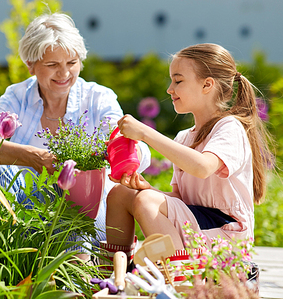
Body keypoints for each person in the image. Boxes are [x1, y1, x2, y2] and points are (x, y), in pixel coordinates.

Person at [0, 13, 151, 249]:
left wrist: (124, 160)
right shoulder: (17, 96)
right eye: (52, 65)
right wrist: (33, 157)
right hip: (25, 214)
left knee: (68, 193)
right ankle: (2, 252)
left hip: (87, 215)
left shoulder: (97, 97)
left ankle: (72, 273)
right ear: (30, 65)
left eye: (72, 63)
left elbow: (128, 141)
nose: (64, 74)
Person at [104, 43, 272, 263]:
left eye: (178, 80)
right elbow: (181, 200)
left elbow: (202, 167)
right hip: (198, 226)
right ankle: (115, 275)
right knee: (120, 193)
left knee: (146, 201)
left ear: (207, 85)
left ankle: (178, 283)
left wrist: (145, 133)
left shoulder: (229, 127)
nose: (169, 89)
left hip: (227, 236)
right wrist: (150, 190)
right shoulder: (184, 137)